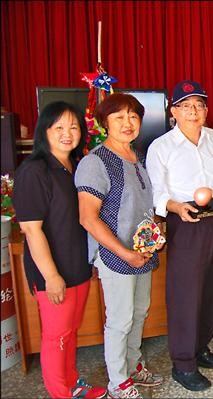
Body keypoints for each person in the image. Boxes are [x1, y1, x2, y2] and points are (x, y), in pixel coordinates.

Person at [13, 101, 107, 399]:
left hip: (77, 264)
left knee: (70, 332)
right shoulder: (34, 170)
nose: (68, 133)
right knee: (57, 336)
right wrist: (51, 276)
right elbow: (31, 229)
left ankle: (73, 384)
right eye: (59, 127)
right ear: (45, 131)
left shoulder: (75, 167)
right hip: (53, 271)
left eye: (74, 127)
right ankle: (61, 393)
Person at [75, 93, 164, 398]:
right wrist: (125, 253)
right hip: (116, 256)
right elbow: (88, 217)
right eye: (118, 117)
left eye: (133, 116)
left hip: (143, 254)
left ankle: (134, 363)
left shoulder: (137, 158)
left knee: (140, 312)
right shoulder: (96, 161)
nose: (128, 123)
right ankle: (118, 382)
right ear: (104, 123)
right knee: (120, 319)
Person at [146, 80, 213, 392]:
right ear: (174, 111)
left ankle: (200, 347)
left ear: (206, 111)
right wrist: (176, 207)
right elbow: (158, 192)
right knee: (185, 293)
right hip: (184, 219)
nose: (194, 111)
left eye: (199, 105)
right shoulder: (161, 147)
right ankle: (183, 363)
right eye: (186, 106)